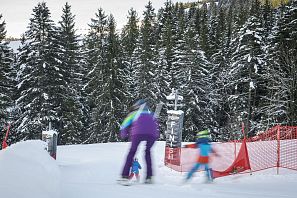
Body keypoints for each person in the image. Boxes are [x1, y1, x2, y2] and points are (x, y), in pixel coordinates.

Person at [119, 99, 159, 184]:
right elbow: (156, 126)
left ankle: (124, 176)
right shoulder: (152, 114)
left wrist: (124, 135)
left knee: (132, 152)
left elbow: (124, 126)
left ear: (137, 106)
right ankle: (149, 177)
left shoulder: (133, 114)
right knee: (148, 153)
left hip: (137, 134)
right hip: (152, 135)